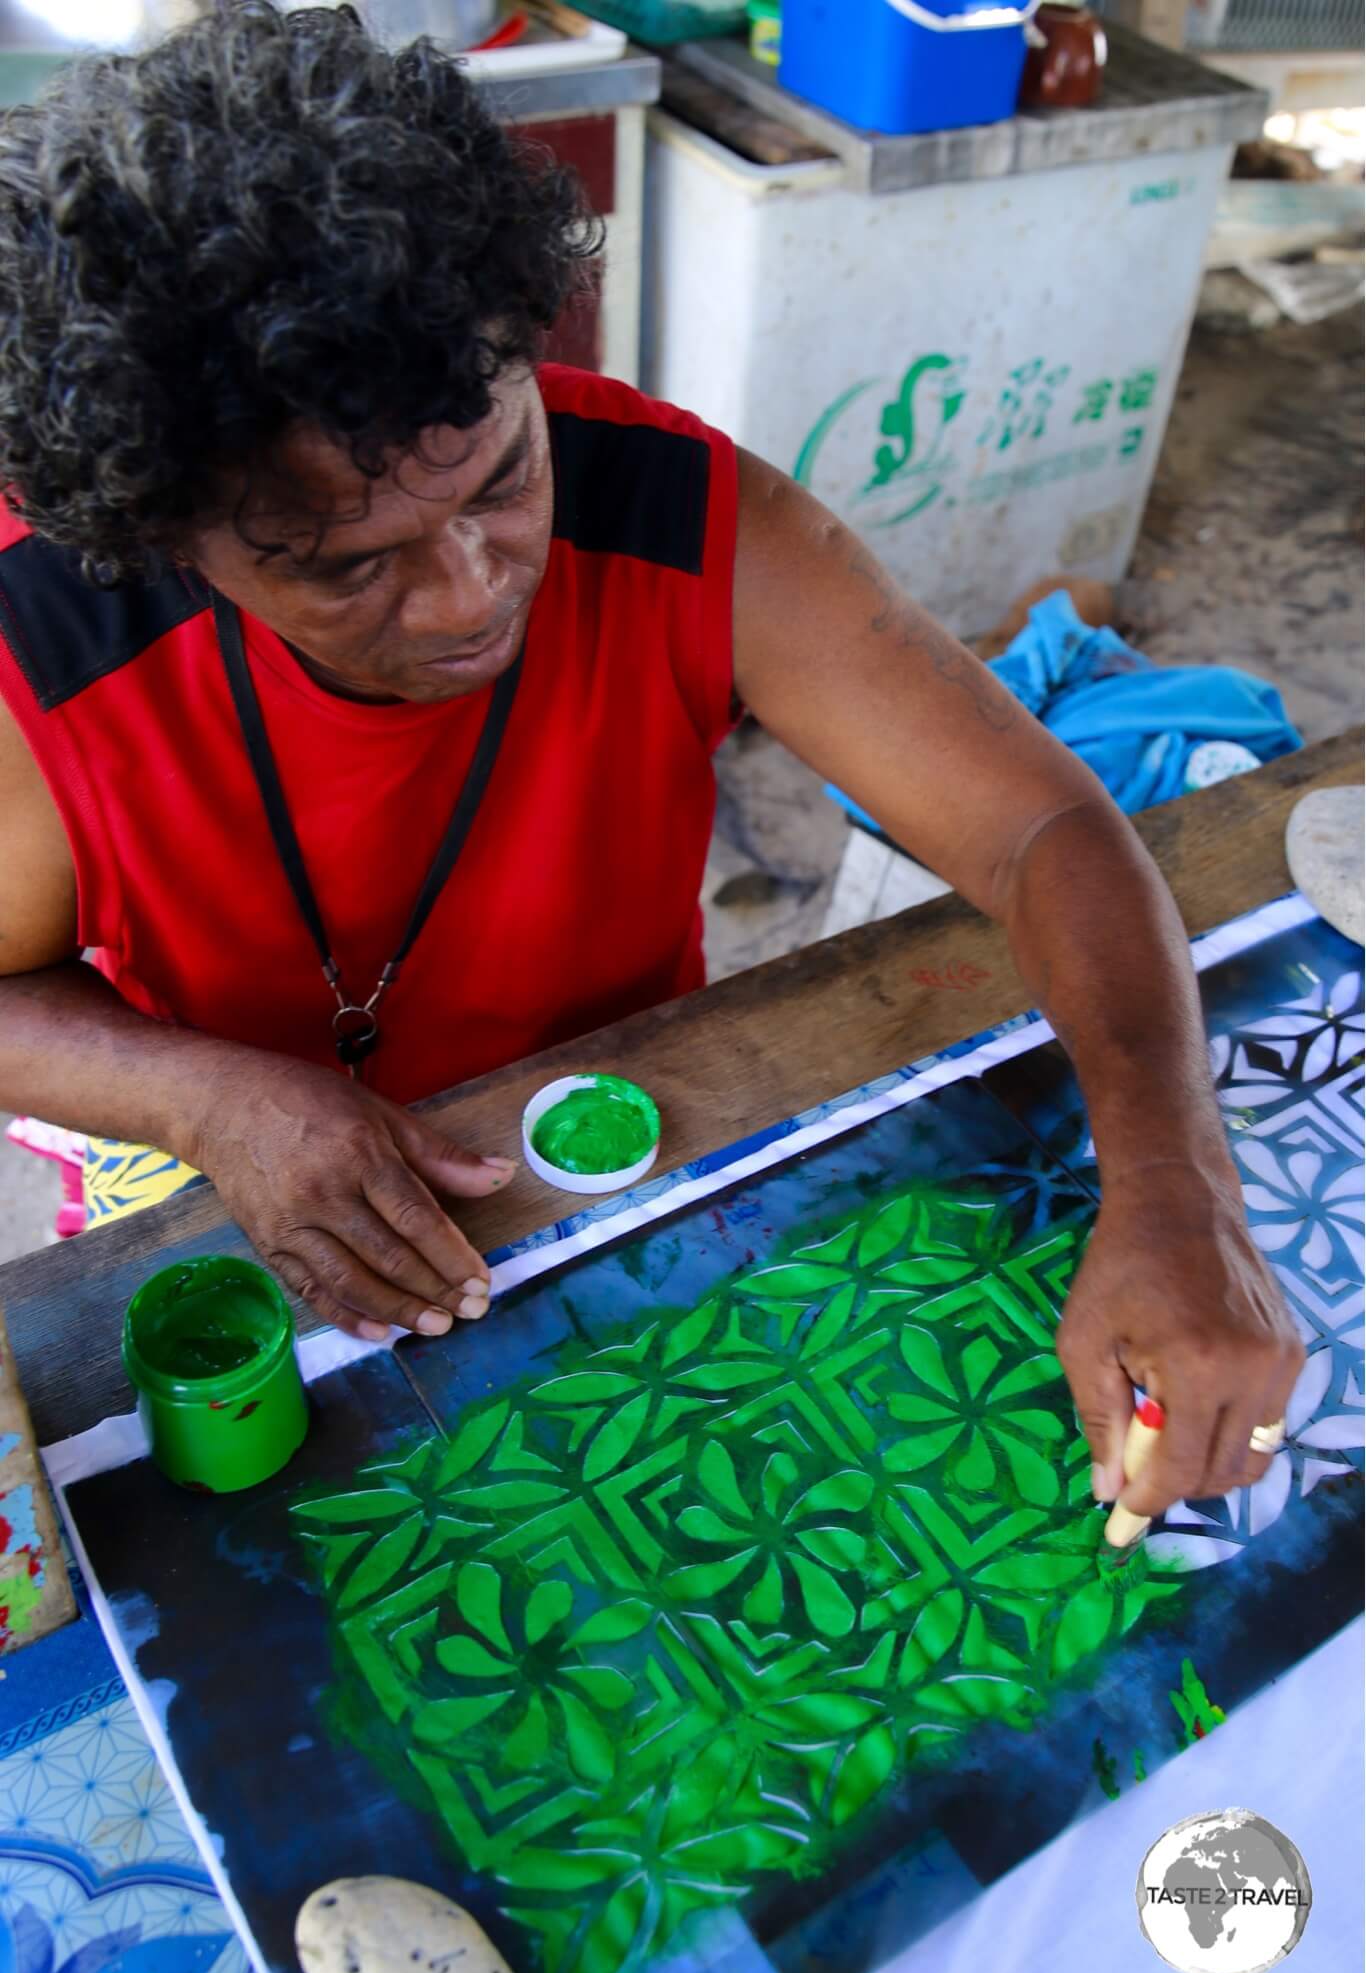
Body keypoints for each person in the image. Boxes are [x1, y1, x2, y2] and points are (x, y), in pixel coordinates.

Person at [0, 2, 1299, 1525]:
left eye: (503, 479)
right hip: (206, 1142)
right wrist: (213, 1103)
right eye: (353, 571)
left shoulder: (685, 518)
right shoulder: (49, 655)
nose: (474, 591)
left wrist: (1169, 1182)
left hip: (620, 1102)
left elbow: (1041, 835)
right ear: (178, 540)